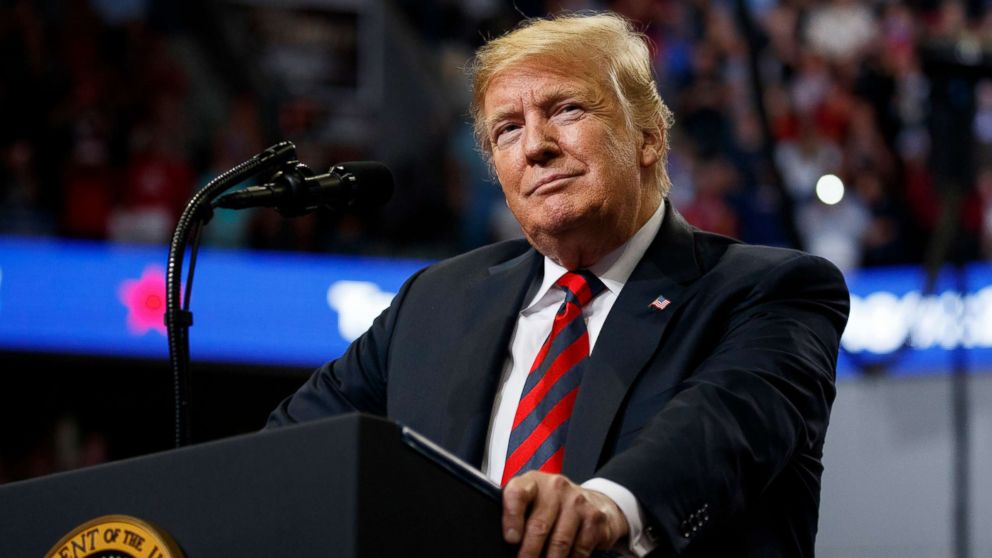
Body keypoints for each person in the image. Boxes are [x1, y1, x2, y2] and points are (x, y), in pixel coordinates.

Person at [267, 12, 849, 558]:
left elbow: (724, 426)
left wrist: (608, 503)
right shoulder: (434, 302)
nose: (536, 146)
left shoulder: (772, 291)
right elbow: (287, 454)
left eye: (567, 109)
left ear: (648, 136)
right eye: (507, 129)